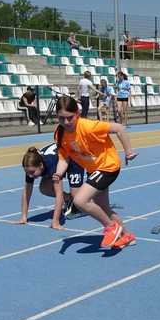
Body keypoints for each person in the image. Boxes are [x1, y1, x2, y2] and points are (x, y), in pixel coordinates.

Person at [53, 95, 138, 249]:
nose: (66, 122)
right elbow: (63, 159)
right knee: (103, 208)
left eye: (69, 118)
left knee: (79, 201)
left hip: (108, 166)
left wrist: (128, 151)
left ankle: (110, 227)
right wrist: (59, 174)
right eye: (61, 118)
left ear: (77, 114)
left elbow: (119, 128)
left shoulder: (88, 126)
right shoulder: (60, 134)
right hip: (94, 170)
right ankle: (127, 235)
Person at [18, 143, 85, 229]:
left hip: (74, 159)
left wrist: (55, 221)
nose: (30, 175)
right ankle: (68, 199)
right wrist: (24, 217)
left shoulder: (51, 164)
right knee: (44, 188)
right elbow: (27, 192)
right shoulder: (30, 167)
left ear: (41, 166)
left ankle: (87, 202)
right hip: (60, 159)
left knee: (78, 200)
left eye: (32, 172)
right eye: (27, 172)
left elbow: (59, 194)